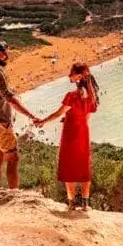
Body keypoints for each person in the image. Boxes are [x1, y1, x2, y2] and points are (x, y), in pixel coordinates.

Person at [0, 40, 41, 189]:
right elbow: (10, 99)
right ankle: (14, 195)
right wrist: (31, 116)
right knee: (13, 157)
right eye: (2, 54)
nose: (6, 56)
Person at [38, 62, 100, 210]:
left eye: (71, 73)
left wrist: (43, 121)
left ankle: (72, 204)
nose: (68, 75)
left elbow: (59, 113)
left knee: (69, 168)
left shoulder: (71, 96)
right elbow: (86, 118)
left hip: (70, 135)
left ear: (78, 76)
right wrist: (72, 117)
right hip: (83, 133)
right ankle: (85, 204)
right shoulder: (92, 96)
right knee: (84, 168)